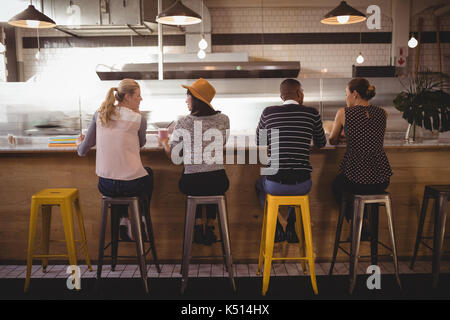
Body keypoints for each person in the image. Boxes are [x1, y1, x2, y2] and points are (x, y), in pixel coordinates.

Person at [77, 78, 153, 241]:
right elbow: (141, 144)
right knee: (146, 174)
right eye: (138, 96)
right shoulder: (139, 119)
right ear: (127, 97)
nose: (141, 99)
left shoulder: (100, 114)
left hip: (106, 185)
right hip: (131, 186)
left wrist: (79, 143)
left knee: (122, 177)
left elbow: (83, 150)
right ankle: (140, 219)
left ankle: (123, 220)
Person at [159, 78, 230, 246]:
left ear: (196, 99)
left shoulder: (183, 122)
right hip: (219, 181)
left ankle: (198, 226)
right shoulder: (224, 119)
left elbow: (174, 156)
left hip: (192, 183)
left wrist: (163, 142)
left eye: (187, 96)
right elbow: (222, 143)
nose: (185, 100)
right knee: (210, 176)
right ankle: (210, 225)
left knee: (196, 176)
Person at [255, 79, 327, 243]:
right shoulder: (312, 113)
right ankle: (291, 225)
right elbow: (321, 143)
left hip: (274, 183)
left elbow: (259, 141)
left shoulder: (268, 112)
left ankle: (277, 228)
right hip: (302, 184)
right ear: (300, 93)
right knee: (298, 185)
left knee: (259, 185)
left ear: (281, 96)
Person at [329, 78, 392, 239]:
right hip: (381, 178)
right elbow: (371, 137)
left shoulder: (344, 113)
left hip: (356, 178)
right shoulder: (383, 113)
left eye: (346, 94)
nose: (346, 98)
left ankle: (359, 222)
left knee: (337, 185)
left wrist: (341, 137)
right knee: (355, 187)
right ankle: (364, 223)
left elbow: (332, 139)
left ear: (355, 94)